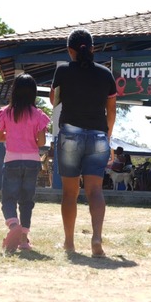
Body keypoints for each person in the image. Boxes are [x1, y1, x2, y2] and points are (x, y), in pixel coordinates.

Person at [49, 28, 116, 258]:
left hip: (70, 134)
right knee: (95, 190)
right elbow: (111, 110)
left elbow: (53, 102)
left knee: (70, 193)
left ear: (70, 51)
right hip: (98, 135)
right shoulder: (105, 74)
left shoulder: (63, 71)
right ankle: (96, 238)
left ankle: (69, 243)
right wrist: (107, 138)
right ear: (93, 49)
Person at [0, 73, 50, 253]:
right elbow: (41, 142)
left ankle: (13, 226)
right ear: (33, 93)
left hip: (11, 160)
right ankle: (24, 239)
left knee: (8, 199)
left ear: (14, 91)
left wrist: (10, 134)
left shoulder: (6, 112)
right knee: (27, 201)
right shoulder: (39, 115)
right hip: (32, 161)